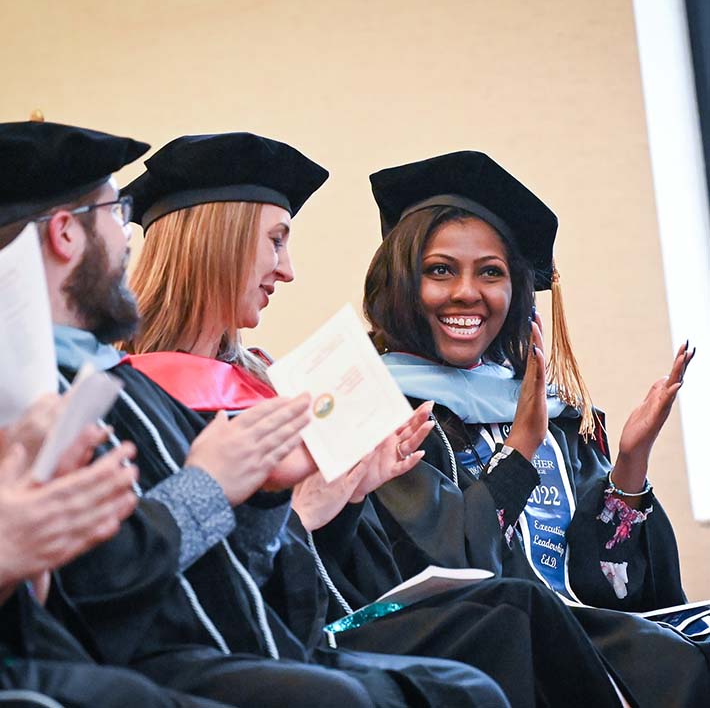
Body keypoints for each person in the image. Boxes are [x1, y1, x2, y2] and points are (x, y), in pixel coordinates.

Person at [0, 120, 509, 708]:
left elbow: (231, 576)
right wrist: (222, 487)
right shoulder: (75, 393)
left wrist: (294, 496)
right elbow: (105, 594)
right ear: (65, 234)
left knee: (468, 684)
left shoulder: (128, 385)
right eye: (117, 215)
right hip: (163, 659)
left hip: (237, 641)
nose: (128, 239)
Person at [122, 132, 640, 708]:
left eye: (490, 273)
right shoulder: (137, 395)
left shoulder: (269, 382)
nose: (288, 270)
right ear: (220, 246)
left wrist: (343, 500)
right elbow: (150, 571)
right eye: (276, 241)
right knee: (509, 616)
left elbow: (343, 566)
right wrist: (312, 510)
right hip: (234, 645)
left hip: (305, 626)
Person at [350, 149, 709, 705]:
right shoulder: (379, 412)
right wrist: (519, 451)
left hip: (578, 631)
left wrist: (630, 469)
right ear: (398, 284)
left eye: (491, 273)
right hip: (486, 653)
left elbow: (606, 587)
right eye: (439, 270)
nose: (468, 292)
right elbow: (450, 573)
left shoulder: (549, 412)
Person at [0, 395, 236, 708]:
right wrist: (206, 488)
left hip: (105, 663)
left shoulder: (139, 387)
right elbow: (102, 590)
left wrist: (280, 505)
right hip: (141, 657)